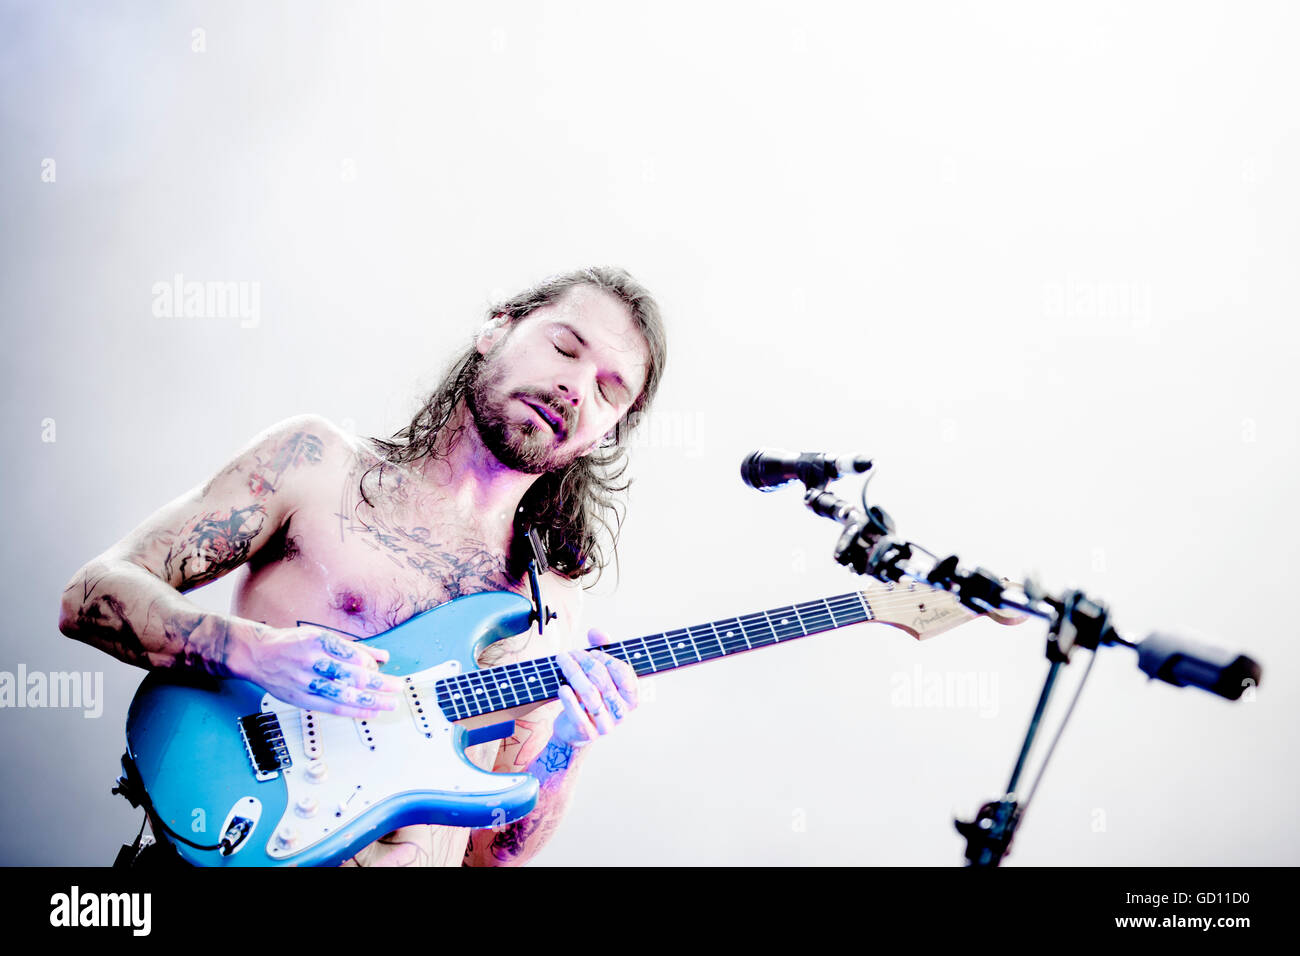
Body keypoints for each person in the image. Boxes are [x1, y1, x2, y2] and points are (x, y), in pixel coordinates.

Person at [58, 266, 668, 866]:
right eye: (564, 347)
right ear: (495, 330)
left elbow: (490, 856)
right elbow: (91, 594)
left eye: (609, 391)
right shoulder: (316, 465)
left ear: (604, 436)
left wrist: (568, 745)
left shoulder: (550, 605)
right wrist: (253, 651)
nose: (576, 387)